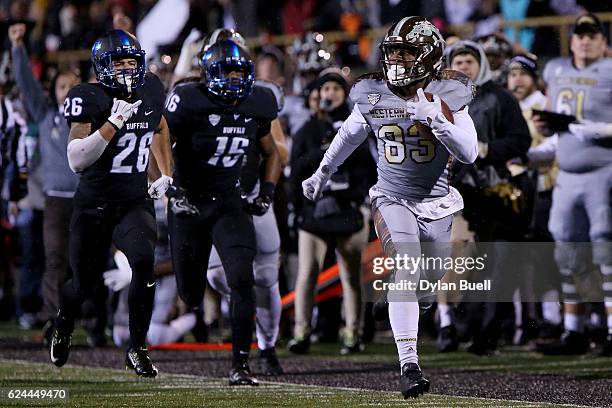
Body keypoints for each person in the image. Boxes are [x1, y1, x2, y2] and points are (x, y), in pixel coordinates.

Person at [302, 16, 477, 398]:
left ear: (428, 55)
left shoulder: (449, 93)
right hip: (391, 196)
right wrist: (321, 174)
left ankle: (406, 299)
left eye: (406, 51)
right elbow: (347, 136)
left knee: (428, 282)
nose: (396, 59)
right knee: (409, 266)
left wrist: (438, 122)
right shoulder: (373, 94)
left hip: (438, 200)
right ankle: (409, 365)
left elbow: (469, 152)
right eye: (393, 51)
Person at [49, 29, 173, 378]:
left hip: (133, 202)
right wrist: (112, 123)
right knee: (83, 285)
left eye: (131, 62)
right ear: (102, 66)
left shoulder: (150, 88)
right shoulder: (89, 96)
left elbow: (159, 126)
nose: (126, 69)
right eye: (118, 63)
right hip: (94, 205)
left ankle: (137, 347)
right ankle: (63, 322)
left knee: (145, 264)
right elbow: (76, 159)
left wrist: (163, 174)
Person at [163, 39, 281, 386]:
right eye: (226, 71)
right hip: (189, 202)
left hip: (229, 201)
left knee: (243, 279)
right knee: (191, 293)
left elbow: (272, 152)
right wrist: (168, 183)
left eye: (239, 71)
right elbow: (158, 135)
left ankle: (241, 364)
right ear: (209, 73)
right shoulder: (188, 99)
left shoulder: (257, 102)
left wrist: (269, 191)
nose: (233, 78)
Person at [202, 29, 289, 376]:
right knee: (219, 277)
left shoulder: (260, 98)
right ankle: (240, 311)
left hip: (252, 197)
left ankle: (267, 347)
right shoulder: (192, 97)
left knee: (267, 277)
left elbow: (279, 151)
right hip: (214, 202)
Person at [438, 40, 531, 355]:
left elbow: (521, 140)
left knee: (497, 264)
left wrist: (489, 150)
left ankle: (488, 333)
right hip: (457, 194)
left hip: (496, 192)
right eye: (458, 61)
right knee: (461, 264)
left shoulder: (499, 97)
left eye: (469, 60)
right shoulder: (438, 101)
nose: (463, 66)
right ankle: (458, 325)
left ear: (480, 64)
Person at [532, 14, 612, 356]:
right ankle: (573, 330)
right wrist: (548, 128)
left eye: (591, 35)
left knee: (605, 252)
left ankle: (609, 330)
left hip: (604, 172)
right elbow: (552, 117)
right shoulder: (556, 70)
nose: (584, 40)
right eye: (579, 34)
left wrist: (585, 128)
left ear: (603, 41)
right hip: (566, 174)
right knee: (566, 253)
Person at [288, 71, 375, 355]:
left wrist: (359, 201)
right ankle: (301, 331)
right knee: (307, 273)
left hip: (348, 210)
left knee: (350, 276)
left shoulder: (359, 123)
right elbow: (296, 170)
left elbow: (369, 167)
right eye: (324, 88)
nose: (329, 93)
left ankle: (352, 331)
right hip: (315, 211)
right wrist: (324, 150)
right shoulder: (307, 130)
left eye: (335, 88)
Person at [9, 22, 82, 337]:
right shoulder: (45, 115)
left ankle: (93, 321)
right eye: (61, 87)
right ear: (54, 92)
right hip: (55, 199)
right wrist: (18, 49)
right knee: (55, 260)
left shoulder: (92, 119)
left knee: (87, 262)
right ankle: (54, 320)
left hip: (86, 200)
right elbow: (26, 85)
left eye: (71, 87)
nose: (66, 92)